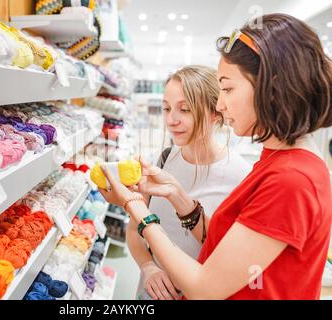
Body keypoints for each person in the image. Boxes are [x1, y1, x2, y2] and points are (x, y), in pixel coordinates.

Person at [100, 13, 332, 299]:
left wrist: (135, 205)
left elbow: (204, 287)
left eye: (228, 88)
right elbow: (223, 246)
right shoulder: (276, 160)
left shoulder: (292, 179)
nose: (221, 104)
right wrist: (178, 195)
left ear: (272, 87)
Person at [128, 65, 251, 300]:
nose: (171, 120)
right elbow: (134, 230)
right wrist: (149, 267)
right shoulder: (164, 159)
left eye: (184, 110)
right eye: (166, 108)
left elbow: (230, 259)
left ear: (216, 112)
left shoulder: (241, 176)